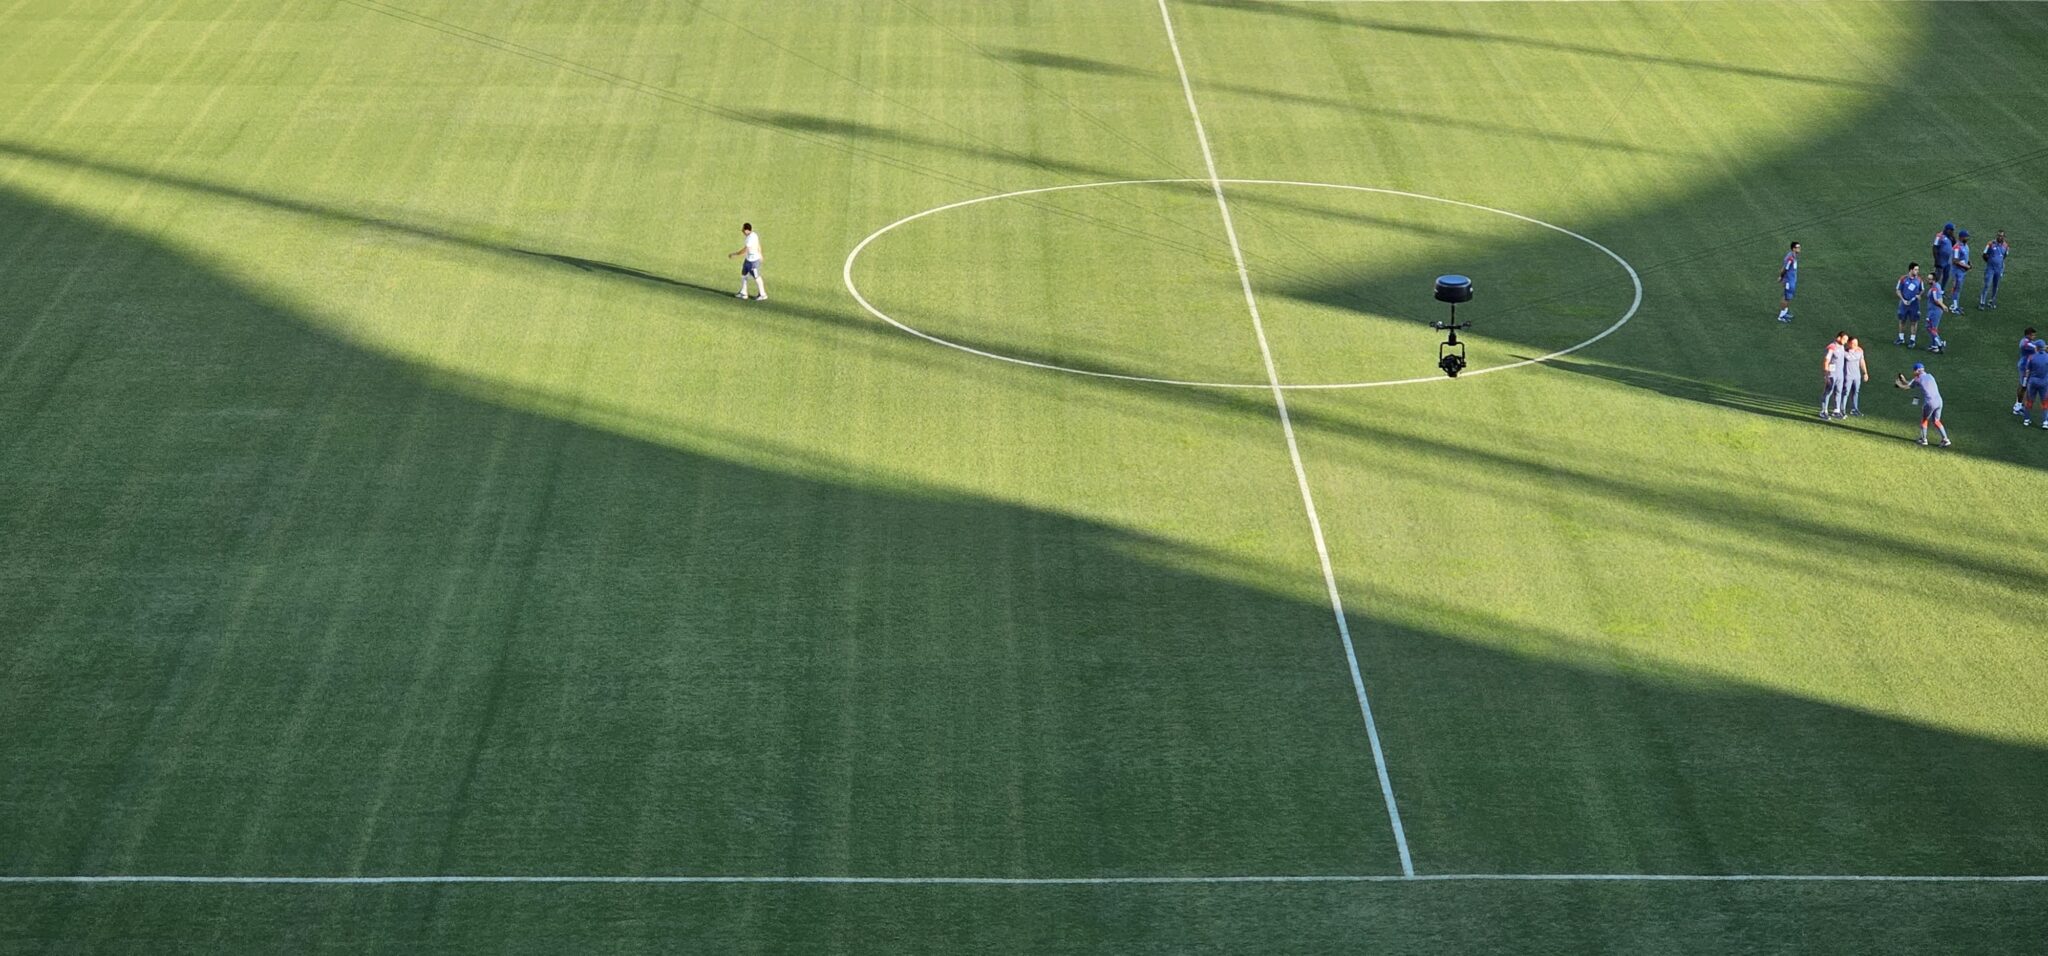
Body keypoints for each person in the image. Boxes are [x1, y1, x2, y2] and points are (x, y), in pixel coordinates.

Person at [1901, 363, 1950, 446]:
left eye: (1914, 371)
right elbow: (1911, 383)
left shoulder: (1917, 379)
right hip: (1939, 401)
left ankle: (1924, 439)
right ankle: (1945, 439)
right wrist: (1904, 380)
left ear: (1917, 370)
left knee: (1924, 420)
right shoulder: (1930, 376)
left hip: (1930, 402)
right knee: (1936, 421)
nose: (1913, 372)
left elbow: (1907, 387)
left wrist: (1899, 384)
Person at [728, 222, 766, 300]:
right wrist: (761, 254)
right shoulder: (754, 235)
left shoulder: (750, 238)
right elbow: (758, 245)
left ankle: (762, 294)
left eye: (743, 229)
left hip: (753, 262)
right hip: (748, 260)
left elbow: (745, 250)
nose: (742, 231)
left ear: (746, 230)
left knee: (756, 277)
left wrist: (735, 254)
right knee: (744, 274)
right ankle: (743, 293)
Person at [1821, 330, 1849, 420]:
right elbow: (1826, 360)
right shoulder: (1832, 347)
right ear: (1839, 338)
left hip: (1840, 374)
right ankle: (1823, 411)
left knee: (1838, 392)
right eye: (1844, 339)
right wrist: (1826, 374)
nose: (1845, 341)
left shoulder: (1842, 347)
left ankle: (1836, 411)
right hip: (1832, 374)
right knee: (1828, 392)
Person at [1895, 263, 1924, 347]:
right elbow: (1898, 290)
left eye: (1918, 270)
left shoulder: (1919, 280)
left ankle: (1912, 340)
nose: (1917, 271)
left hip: (1914, 305)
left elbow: (1922, 290)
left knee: (1914, 322)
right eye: (1916, 269)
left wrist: (1919, 295)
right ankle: (1901, 338)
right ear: (1911, 270)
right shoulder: (1903, 279)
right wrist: (1903, 300)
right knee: (1902, 320)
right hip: (1904, 304)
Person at [1839, 335, 1869, 417]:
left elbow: (1862, 362)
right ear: (1848, 343)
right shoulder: (1844, 352)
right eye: (1853, 343)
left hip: (1857, 376)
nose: (1856, 345)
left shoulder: (1860, 351)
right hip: (1847, 376)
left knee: (1856, 392)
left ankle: (1854, 409)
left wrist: (1865, 373)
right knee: (1845, 393)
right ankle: (1842, 410)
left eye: (1856, 343)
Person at [1979, 230, 2010, 309]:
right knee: (1987, 285)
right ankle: (1982, 302)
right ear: (1996, 236)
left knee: (1995, 286)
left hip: (1999, 269)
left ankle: (1992, 301)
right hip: (1990, 268)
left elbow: (2005, 256)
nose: (2000, 237)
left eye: (2001, 236)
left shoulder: (2006, 246)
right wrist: (1989, 262)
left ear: (2004, 237)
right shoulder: (1990, 244)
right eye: (1998, 235)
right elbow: (1984, 254)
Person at [2022, 343, 2048, 428]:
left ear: (2036, 348)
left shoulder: (2031, 357)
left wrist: (2025, 382)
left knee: (2029, 401)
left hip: (2032, 383)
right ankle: (2045, 422)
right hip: (2044, 383)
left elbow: (2027, 370)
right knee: (2045, 402)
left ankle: (2026, 420)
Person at [2019, 328, 2044, 415]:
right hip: (2025, 367)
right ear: (2028, 335)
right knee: (2024, 386)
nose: (2034, 336)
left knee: (2024, 386)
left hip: (2028, 366)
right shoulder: (2025, 343)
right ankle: (2018, 407)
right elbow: (2037, 347)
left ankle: (2019, 405)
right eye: (2033, 335)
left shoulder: (2028, 341)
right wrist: (2043, 347)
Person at [1946, 229, 1971, 311]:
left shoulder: (1965, 245)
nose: (1967, 238)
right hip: (1957, 271)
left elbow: (1965, 257)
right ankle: (1954, 307)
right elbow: (1955, 261)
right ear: (1961, 237)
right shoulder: (1957, 247)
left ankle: (1955, 305)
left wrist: (1969, 263)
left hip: (1962, 271)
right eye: (1966, 237)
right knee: (1956, 288)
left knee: (1958, 288)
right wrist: (1966, 266)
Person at [1923, 280, 1950, 353]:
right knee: (1933, 328)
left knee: (1930, 328)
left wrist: (1943, 306)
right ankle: (1934, 346)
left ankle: (1940, 344)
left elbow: (1936, 300)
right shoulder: (1938, 286)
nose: (1928, 280)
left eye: (1930, 279)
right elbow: (1940, 298)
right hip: (1935, 310)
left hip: (1933, 311)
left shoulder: (1934, 288)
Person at [1776, 241, 1800, 322]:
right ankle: (1781, 316)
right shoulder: (1790, 258)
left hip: (1791, 281)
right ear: (1793, 248)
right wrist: (1781, 277)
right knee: (1786, 298)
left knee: (1788, 298)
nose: (1799, 249)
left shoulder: (1794, 256)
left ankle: (1785, 312)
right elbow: (1784, 269)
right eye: (1797, 247)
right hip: (1789, 282)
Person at [1931, 223, 1955, 290]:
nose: (1952, 231)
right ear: (1947, 229)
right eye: (1951, 230)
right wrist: (1936, 260)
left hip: (1948, 261)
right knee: (1937, 276)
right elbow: (1934, 248)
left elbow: (1954, 244)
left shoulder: (1951, 236)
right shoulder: (1939, 236)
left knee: (1946, 276)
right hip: (1940, 260)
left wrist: (1953, 237)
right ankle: (1933, 290)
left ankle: (1942, 290)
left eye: (1953, 230)